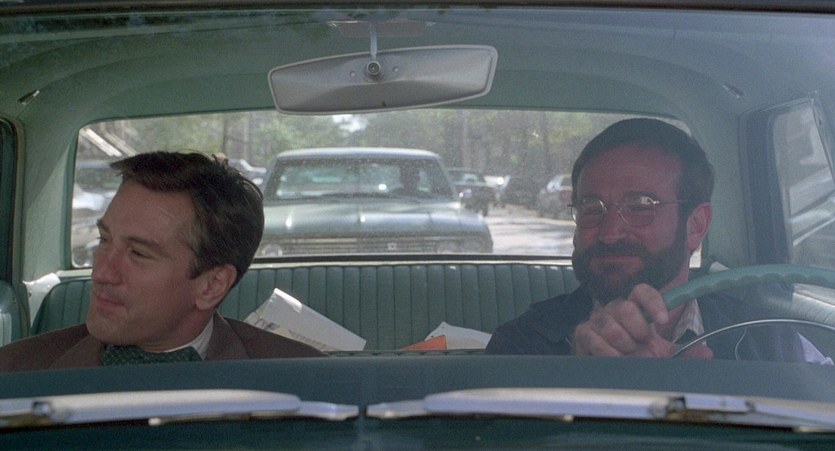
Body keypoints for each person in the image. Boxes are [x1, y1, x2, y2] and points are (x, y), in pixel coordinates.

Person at [486, 118, 827, 362]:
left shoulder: (766, 337)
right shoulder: (522, 345)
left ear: (696, 225)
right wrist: (578, 373)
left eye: (640, 207)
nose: (610, 232)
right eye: (591, 208)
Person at [0, 151, 323, 372]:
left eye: (139, 253)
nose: (101, 272)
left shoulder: (303, 380)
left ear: (211, 285)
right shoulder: (15, 372)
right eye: (104, 240)